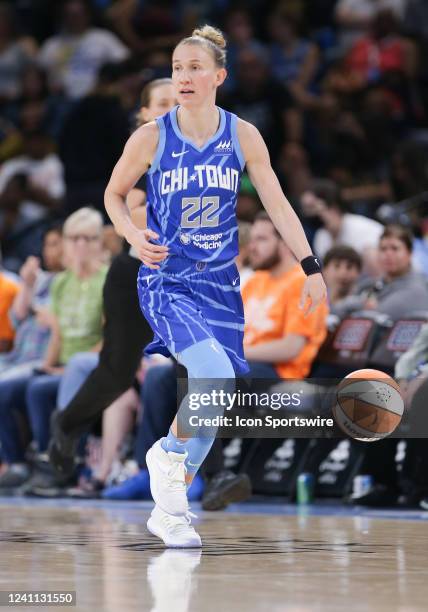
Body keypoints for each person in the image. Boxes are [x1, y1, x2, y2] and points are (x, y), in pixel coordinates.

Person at [101, 24, 326, 548]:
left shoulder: (243, 134)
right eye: (178, 68)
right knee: (213, 373)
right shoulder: (152, 136)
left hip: (221, 285)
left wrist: (311, 267)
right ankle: (166, 456)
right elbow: (114, 196)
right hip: (168, 279)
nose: (183, 76)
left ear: (218, 77)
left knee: (215, 396)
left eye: (194, 68)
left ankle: (170, 510)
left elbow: (278, 204)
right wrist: (133, 234)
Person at [47, 79, 176, 481]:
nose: (172, 108)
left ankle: (217, 475)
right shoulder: (144, 152)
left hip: (184, 275)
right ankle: (68, 424)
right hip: (136, 273)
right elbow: (128, 216)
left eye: (178, 101)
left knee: (201, 365)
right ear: (144, 113)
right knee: (117, 374)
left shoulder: (204, 153)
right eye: (162, 103)